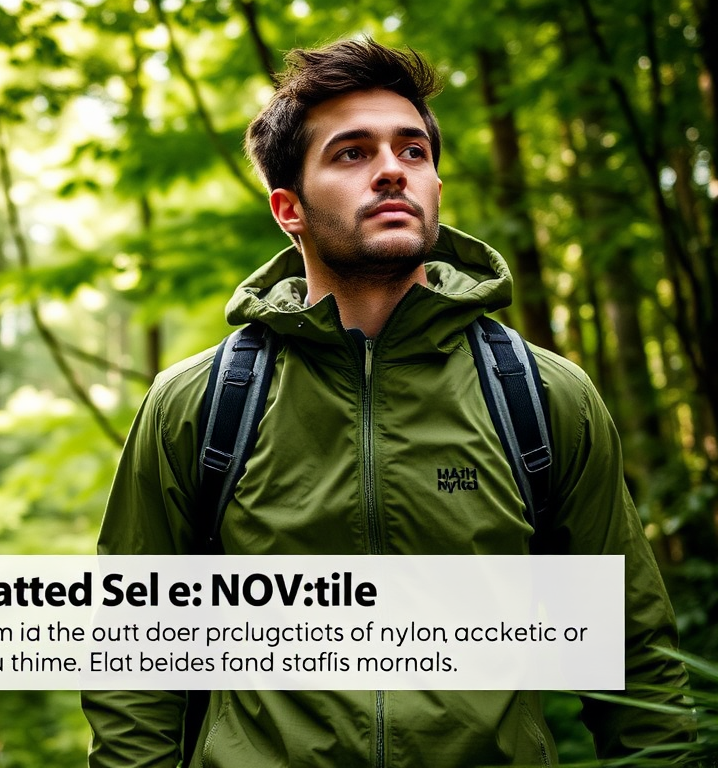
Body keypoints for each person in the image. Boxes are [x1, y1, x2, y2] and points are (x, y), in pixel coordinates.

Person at [81, 37, 689, 767]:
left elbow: (631, 657)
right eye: (351, 154)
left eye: (413, 151)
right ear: (289, 208)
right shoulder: (201, 405)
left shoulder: (541, 396)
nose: (392, 171)